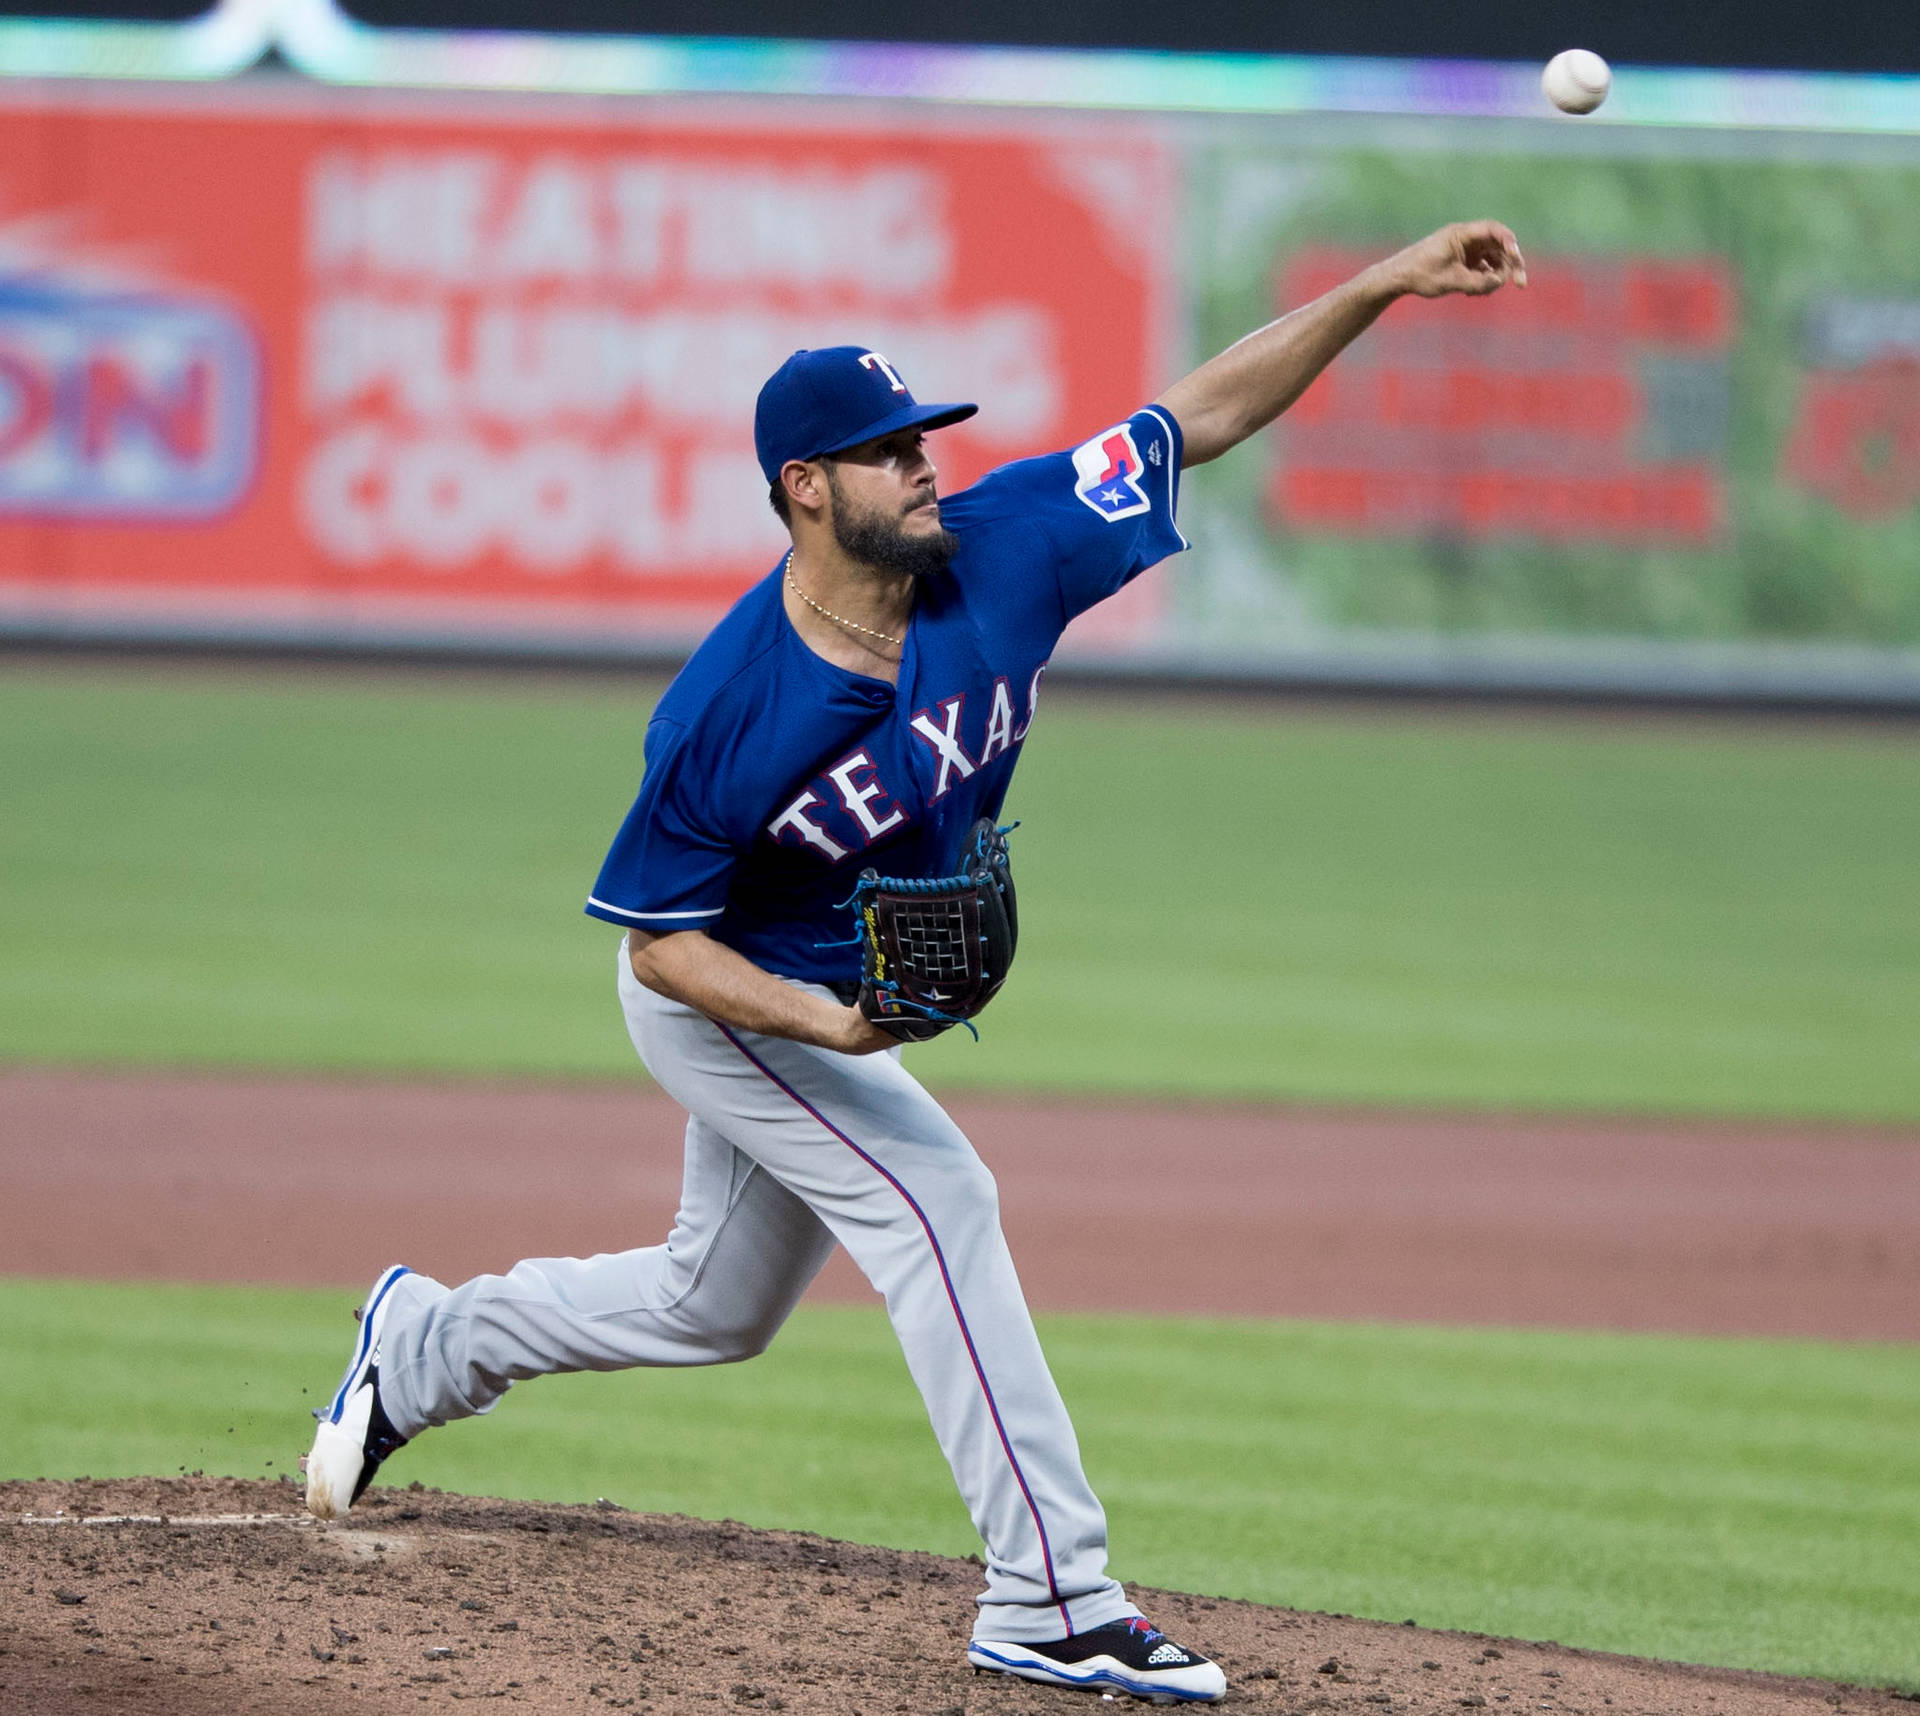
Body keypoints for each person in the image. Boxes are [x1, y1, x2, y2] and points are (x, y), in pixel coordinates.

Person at [304, 220, 1526, 1705]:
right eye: (887, 451)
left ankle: (421, 1345)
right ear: (806, 490)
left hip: (820, 995)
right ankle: (1055, 1597)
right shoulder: (728, 711)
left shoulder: (1009, 552)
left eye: (924, 436)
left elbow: (1190, 418)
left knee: (713, 1306)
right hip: (732, 999)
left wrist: (1378, 286)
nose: (925, 464)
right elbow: (660, 946)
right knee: (940, 1197)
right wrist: (823, 1022)